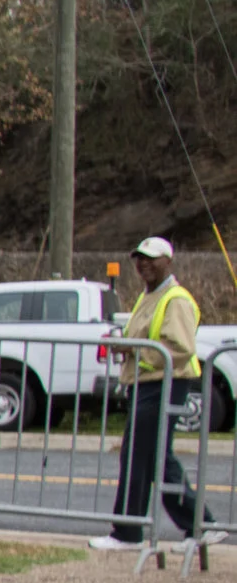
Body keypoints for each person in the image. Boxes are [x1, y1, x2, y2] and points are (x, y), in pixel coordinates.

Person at [92, 236, 222, 551]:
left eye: (150, 257)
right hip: (147, 383)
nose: (143, 263)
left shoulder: (175, 298)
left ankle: (128, 533)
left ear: (168, 261)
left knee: (138, 455)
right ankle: (199, 525)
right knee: (156, 458)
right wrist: (126, 347)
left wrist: (134, 350)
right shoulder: (148, 296)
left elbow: (179, 347)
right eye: (138, 258)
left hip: (165, 382)